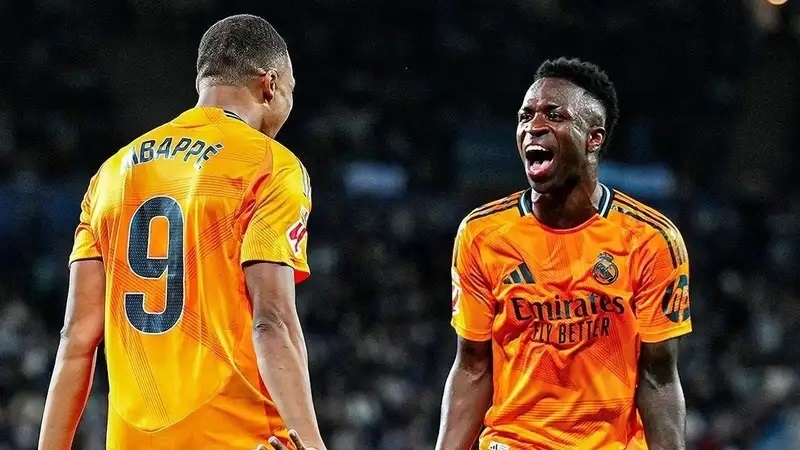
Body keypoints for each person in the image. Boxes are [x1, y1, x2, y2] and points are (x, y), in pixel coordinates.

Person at [38, 14, 327, 450]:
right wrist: (313, 443)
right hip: (237, 435)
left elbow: (76, 339)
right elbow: (273, 322)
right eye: (290, 90)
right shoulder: (271, 165)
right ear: (270, 85)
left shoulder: (111, 174)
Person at [435, 57, 691, 450]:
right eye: (525, 116)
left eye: (554, 115)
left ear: (593, 138)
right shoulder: (482, 234)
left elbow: (658, 377)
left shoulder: (650, 240)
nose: (533, 126)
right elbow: (472, 366)